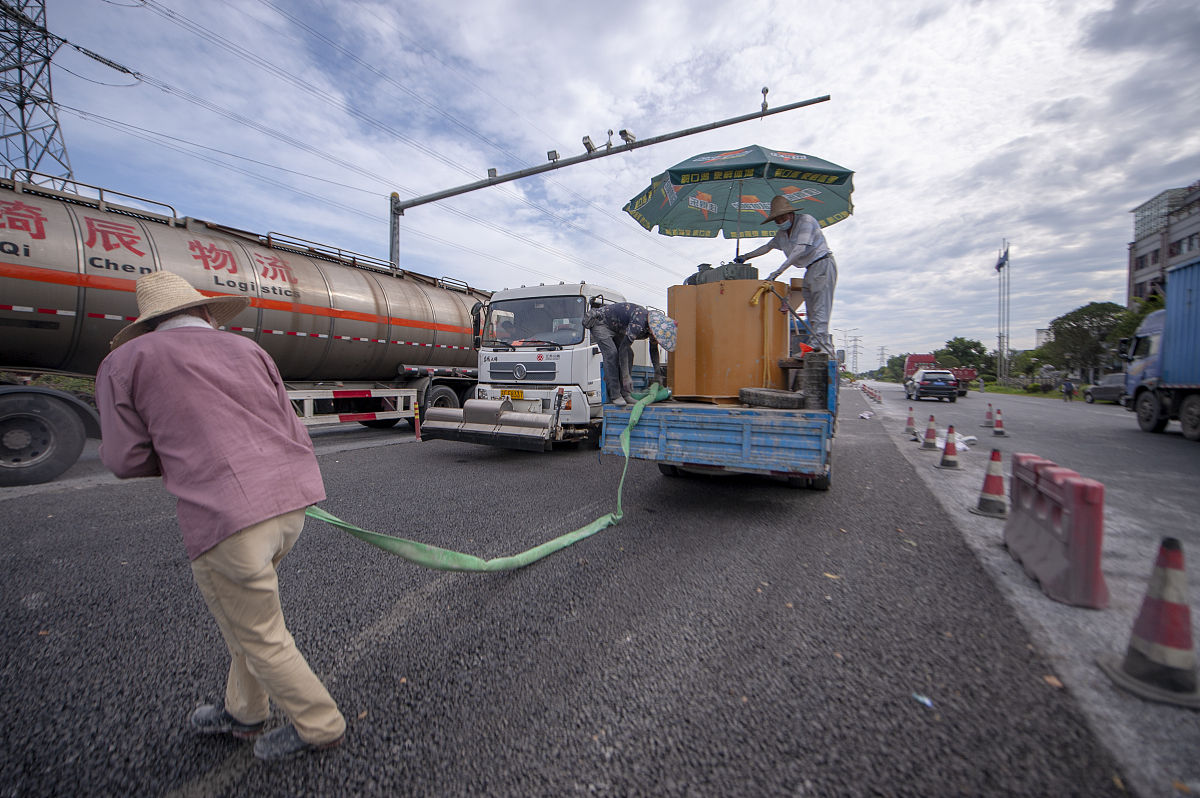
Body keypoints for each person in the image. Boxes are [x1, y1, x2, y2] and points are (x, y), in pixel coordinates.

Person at [95, 271, 346, 761]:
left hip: (227, 516)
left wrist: (180, 457)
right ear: (206, 313)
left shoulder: (125, 361)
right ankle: (245, 712)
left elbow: (124, 459)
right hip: (291, 505)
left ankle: (320, 724)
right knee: (245, 621)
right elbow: (290, 427)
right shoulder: (250, 351)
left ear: (148, 324)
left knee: (259, 631)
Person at [734, 195, 838, 353]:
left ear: (791, 214)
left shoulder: (806, 221)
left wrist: (777, 272)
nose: (781, 222)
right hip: (810, 269)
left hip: (822, 264)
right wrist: (745, 256)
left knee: (820, 308)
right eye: (777, 220)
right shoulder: (782, 235)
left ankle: (824, 348)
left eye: (783, 218)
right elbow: (767, 247)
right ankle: (813, 345)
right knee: (811, 311)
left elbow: (799, 250)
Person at [583, 301, 676, 406]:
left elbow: (653, 350)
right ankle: (615, 395)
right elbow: (623, 348)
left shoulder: (654, 328)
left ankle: (625, 394)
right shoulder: (639, 321)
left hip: (616, 327)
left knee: (630, 354)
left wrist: (658, 372)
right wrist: (626, 377)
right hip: (600, 323)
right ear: (653, 328)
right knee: (612, 354)